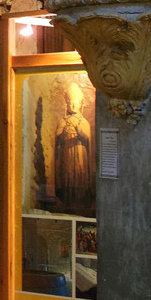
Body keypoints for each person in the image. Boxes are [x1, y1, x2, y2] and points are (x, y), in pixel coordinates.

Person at [53, 82, 94, 216]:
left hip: (80, 153)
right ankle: (67, 200)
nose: (73, 106)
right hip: (67, 153)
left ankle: (80, 200)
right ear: (67, 104)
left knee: (79, 175)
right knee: (68, 174)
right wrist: (64, 132)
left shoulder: (84, 122)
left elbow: (87, 139)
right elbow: (57, 139)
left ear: (81, 104)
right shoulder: (62, 121)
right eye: (71, 103)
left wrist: (78, 129)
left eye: (76, 103)